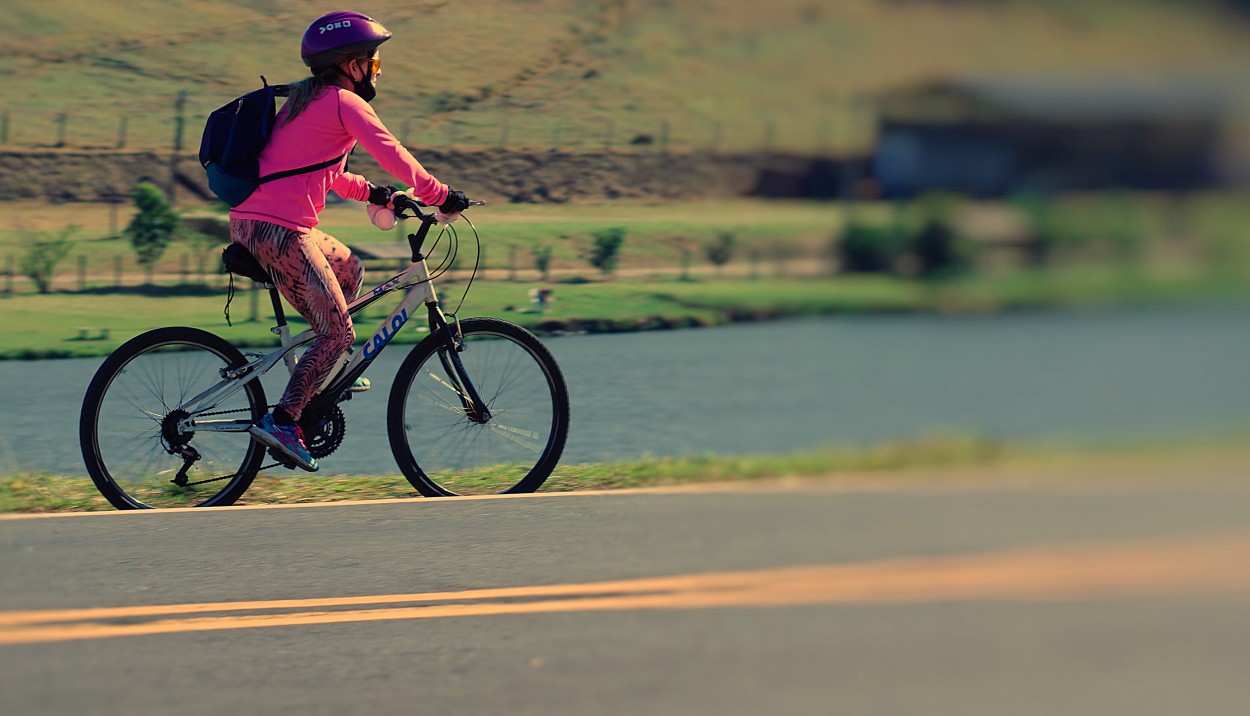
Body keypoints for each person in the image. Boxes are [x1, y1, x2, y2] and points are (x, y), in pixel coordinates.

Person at [233, 10, 470, 471]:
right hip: (277, 230)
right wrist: (439, 195)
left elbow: (326, 172)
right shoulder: (344, 102)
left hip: (262, 223)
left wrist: (376, 194)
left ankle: (324, 371)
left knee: (350, 270)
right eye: (373, 64)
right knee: (337, 332)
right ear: (351, 63)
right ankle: (283, 419)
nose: (376, 72)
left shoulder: (307, 103)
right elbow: (393, 152)